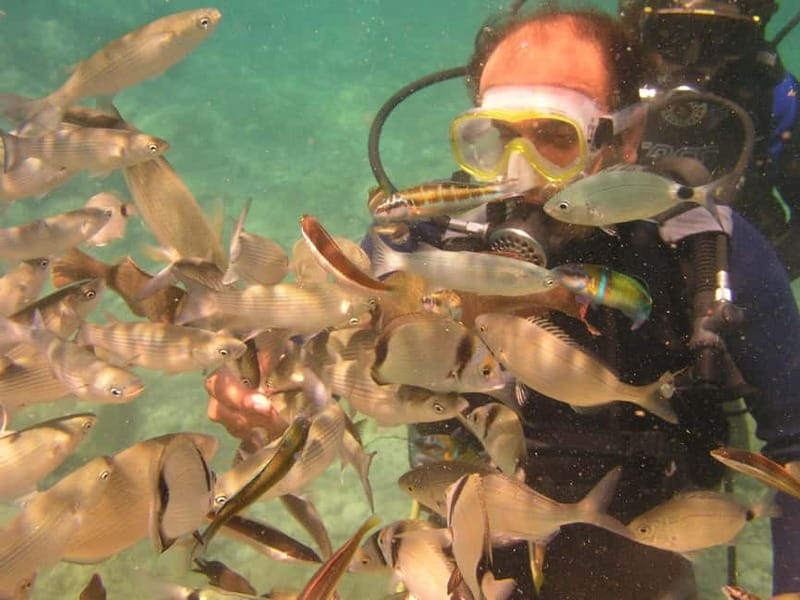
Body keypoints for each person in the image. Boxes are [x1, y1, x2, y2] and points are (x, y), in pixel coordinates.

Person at [210, 3, 800, 598]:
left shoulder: (707, 254)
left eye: (555, 138)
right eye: (494, 140)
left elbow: (795, 441)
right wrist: (260, 385)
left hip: (650, 563)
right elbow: (313, 332)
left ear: (626, 138)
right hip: (459, 564)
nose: (519, 174)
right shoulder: (428, 245)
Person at [619, 0, 800, 277]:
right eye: (671, 37)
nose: (693, 59)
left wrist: (765, 278)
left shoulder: (772, 95)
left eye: (722, 39)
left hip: (735, 269)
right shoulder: (611, 79)